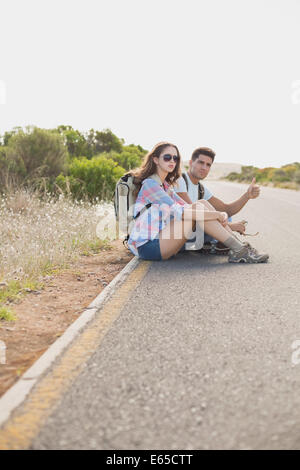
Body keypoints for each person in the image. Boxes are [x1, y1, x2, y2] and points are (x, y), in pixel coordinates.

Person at [127, 142, 269, 263]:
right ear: (156, 159)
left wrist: (218, 213)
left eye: (175, 158)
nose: (172, 161)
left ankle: (239, 247)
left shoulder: (165, 186)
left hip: (163, 240)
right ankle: (239, 249)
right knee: (196, 211)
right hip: (149, 247)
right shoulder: (150, 185)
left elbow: (189, 207)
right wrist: (218, 215)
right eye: (167, 157)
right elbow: (182, 213)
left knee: (200, 204)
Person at [175, 147, 260, 253]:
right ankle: (227, 246)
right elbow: (193, 215)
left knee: (224, 214)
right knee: (203, 209)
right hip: (178, 234)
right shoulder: (180, 180)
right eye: (201, 163)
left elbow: (227, 209)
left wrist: (247, 196)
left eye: (208, 165)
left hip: (195, 232)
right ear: (191, 163)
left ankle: (228, 245)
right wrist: (231, 227)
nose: (204, 168)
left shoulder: (201, 189)